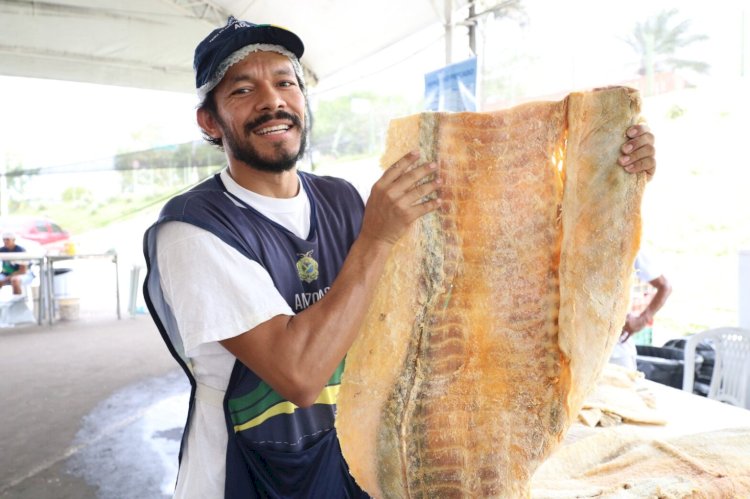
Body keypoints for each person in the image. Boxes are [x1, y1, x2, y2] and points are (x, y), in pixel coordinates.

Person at [142, 16, 657, 499]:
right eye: (243, 89)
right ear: (210, 122)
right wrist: (376, 239)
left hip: (344, 455)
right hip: (247, 470)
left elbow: (472, 257)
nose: (272, 101)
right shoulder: (193, 229)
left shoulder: (339, 198)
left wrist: (608, 171)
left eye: (286, 82)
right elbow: (298, 375)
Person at [610, 251, 673, 370]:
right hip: (576, 348)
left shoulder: (627, 242)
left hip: (616, 350)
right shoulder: (570, 239)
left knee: (621, 386)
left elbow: (665, 286)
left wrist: (643, 319)